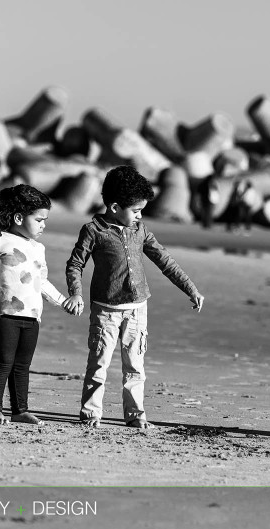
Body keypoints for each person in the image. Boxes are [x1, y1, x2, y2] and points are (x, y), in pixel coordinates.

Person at [65, 165, 205, 429]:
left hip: (138, 309)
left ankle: (136, 414)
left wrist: (191, 289)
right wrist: (76, 293)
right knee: (98, 364)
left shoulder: (140, 230)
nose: (140, 215)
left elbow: (165, 260)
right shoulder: (93, 230)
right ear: (115, 207)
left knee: (135, 366)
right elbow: (75, 264)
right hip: (105, 310)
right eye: (136, 210)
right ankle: (91, 413)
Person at [0, 184, 72, 425]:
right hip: (2, 314)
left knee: (22, 366)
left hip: (32, 316)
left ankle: (20, 410)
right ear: (19, 217)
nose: (43, 225)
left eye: (45, 220)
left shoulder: (38, 248)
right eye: (39, 219)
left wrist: (63, 301)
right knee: (3, 362)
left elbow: (42, 282)